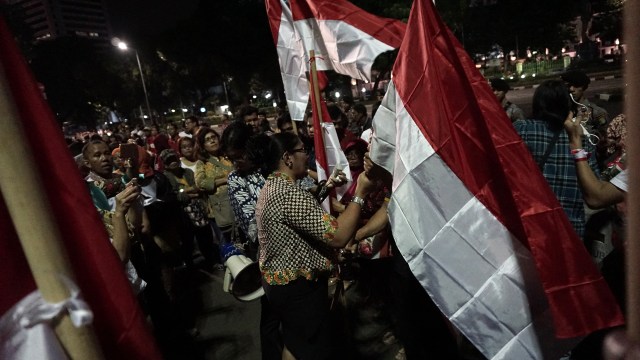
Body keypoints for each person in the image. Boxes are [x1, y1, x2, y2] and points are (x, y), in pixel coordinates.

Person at [255, 132, 376, 359]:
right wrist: (360, 192)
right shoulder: (287, 193)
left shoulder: (275, 185)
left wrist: (327, 186)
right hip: (298, 289)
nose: (307, 156)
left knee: (296, 343)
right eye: (302, 151)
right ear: (288, 158)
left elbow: (302, 221)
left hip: (282, 285)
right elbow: (338, 235)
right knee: (312, 348)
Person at [514, 79, 599, 238]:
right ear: (566, 105)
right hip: (570, 231)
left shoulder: (522, 130)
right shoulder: (582, 141)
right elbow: (595, 189)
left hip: (531, 228)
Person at [194, 128, 235, 245]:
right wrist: (224, 180)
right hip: (218, 210)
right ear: (203, 146)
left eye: (214, 137)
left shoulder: (228, 156)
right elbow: (201, 183)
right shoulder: (202, 163)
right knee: (226, 243)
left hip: (236, 204)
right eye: (207, 140)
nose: (212, 141)